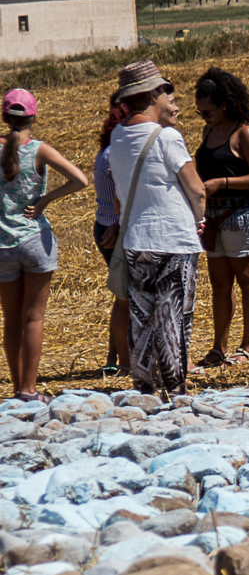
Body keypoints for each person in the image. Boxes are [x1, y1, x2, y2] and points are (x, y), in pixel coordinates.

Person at [106, 61, 207, 397]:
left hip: (136, 240)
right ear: (151, 95)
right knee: (174, 320)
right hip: (173, 238)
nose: (170, 97)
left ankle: (146, 389)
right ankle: (175, 390)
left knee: (143, 319)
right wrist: (199, 219)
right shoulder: (167, 137)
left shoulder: (117, 137)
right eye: (165, 91)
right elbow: (196, 189)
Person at [0, 88, 87, 399]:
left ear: (4, 116)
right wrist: (44, 201)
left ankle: (15, 387)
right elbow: (80, 179)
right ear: (34, 116)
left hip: (2, 246)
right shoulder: (39, 150)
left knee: (11, 320)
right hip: (35, 239)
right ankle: (29, 389)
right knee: (33, 317)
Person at [191, 67, 249, 366]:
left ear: (224, 104)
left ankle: (248, 347)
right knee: (219, 285)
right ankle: (218, 348)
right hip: (213, 216)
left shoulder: (245, 132)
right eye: (200, 113)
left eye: (207, 111)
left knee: (248, 280)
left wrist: (222, 183)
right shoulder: (208, 131)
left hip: (241, 213)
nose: (204, 118)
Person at [93, 91, 129, 375]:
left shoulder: (103, 151)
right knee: (125, 298)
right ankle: (125, 361)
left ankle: (113, 357)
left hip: (105, 224)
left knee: (121, 294)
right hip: (114, 228)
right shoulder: (114, 155)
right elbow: (122, 196)